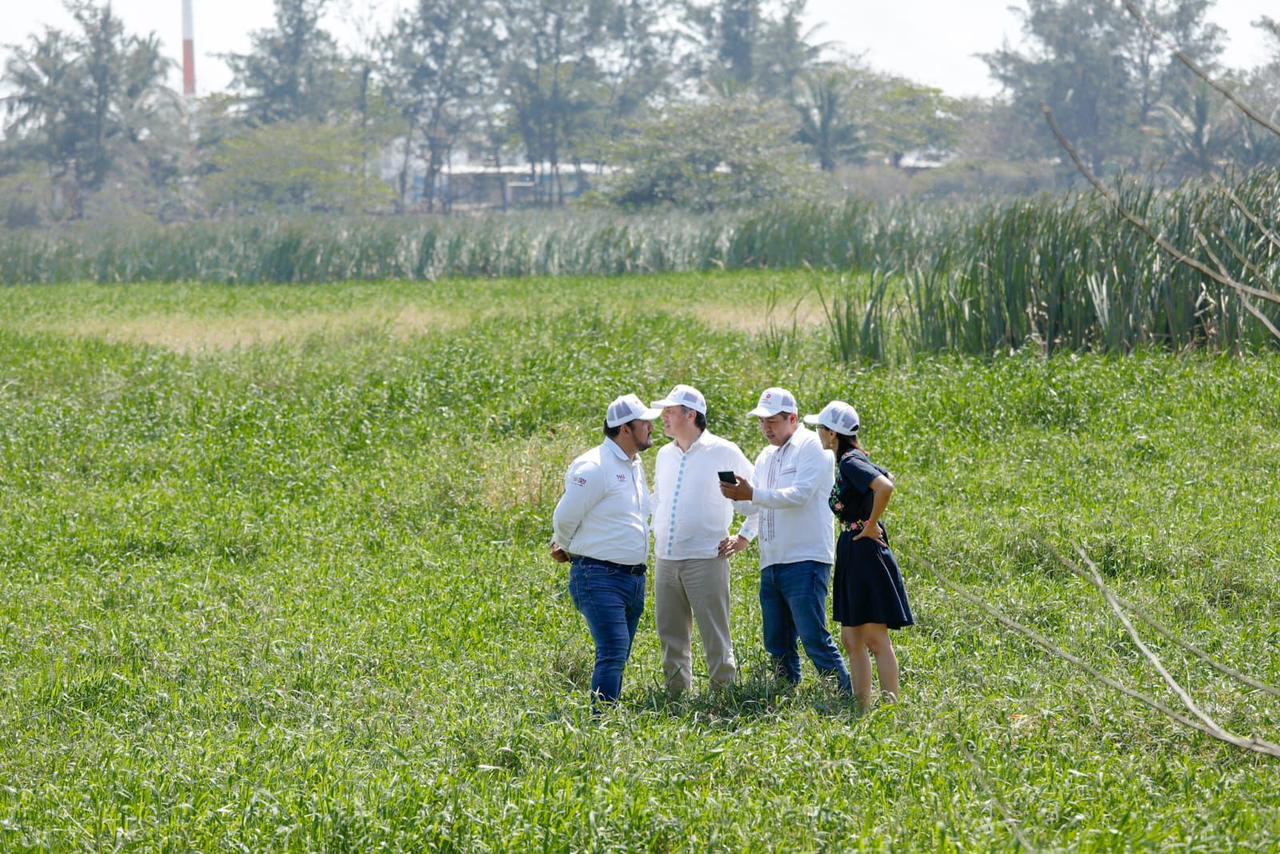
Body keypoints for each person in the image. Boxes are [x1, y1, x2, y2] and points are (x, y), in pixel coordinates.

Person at [720, 387, 852, 695]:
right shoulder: (766, 456)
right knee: (776, 638)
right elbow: (759, 504)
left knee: (812, 635)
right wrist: (734, 496)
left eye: (773, 421)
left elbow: (799, 495)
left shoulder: (812, 447)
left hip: (806, 557)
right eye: (762, 421)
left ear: (793, 418)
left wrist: (751, 494)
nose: (766, 428)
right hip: (773, 560)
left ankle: (845, 693)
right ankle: (785, 690)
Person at [551, 393, 661, 705]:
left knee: (619, 653)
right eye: (645, 423)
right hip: (599, 574)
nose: (651, 428)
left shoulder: (634, 465)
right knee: (613, 650)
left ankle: (605, 715)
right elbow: (565, 515)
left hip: (633, 578)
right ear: (625, 429)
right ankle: (601, 723)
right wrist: (565, 545)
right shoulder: (595, 466)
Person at [805, 400, 913, 710]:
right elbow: (884, 477)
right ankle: (862, 706)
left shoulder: (851, 462)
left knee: (875, 639)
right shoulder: (851, 461)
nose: (818, 434)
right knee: (852, 639)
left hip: (863, 550)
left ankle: (892, 708)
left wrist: (870, 523)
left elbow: (885, 486)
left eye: (821, 429)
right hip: (853, 548)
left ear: (833, 434)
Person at [649, 384, 756, 697]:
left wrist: (744, 537)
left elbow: (756, 501)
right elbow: (659, 502)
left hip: (706, 559)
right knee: (670, 635)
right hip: (666, 559)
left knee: (715, 635)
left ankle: (724, 700)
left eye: (670, 411)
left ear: (691, 414)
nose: (664, 417)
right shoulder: (664, 456)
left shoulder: (723, 452)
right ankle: (675, 697)